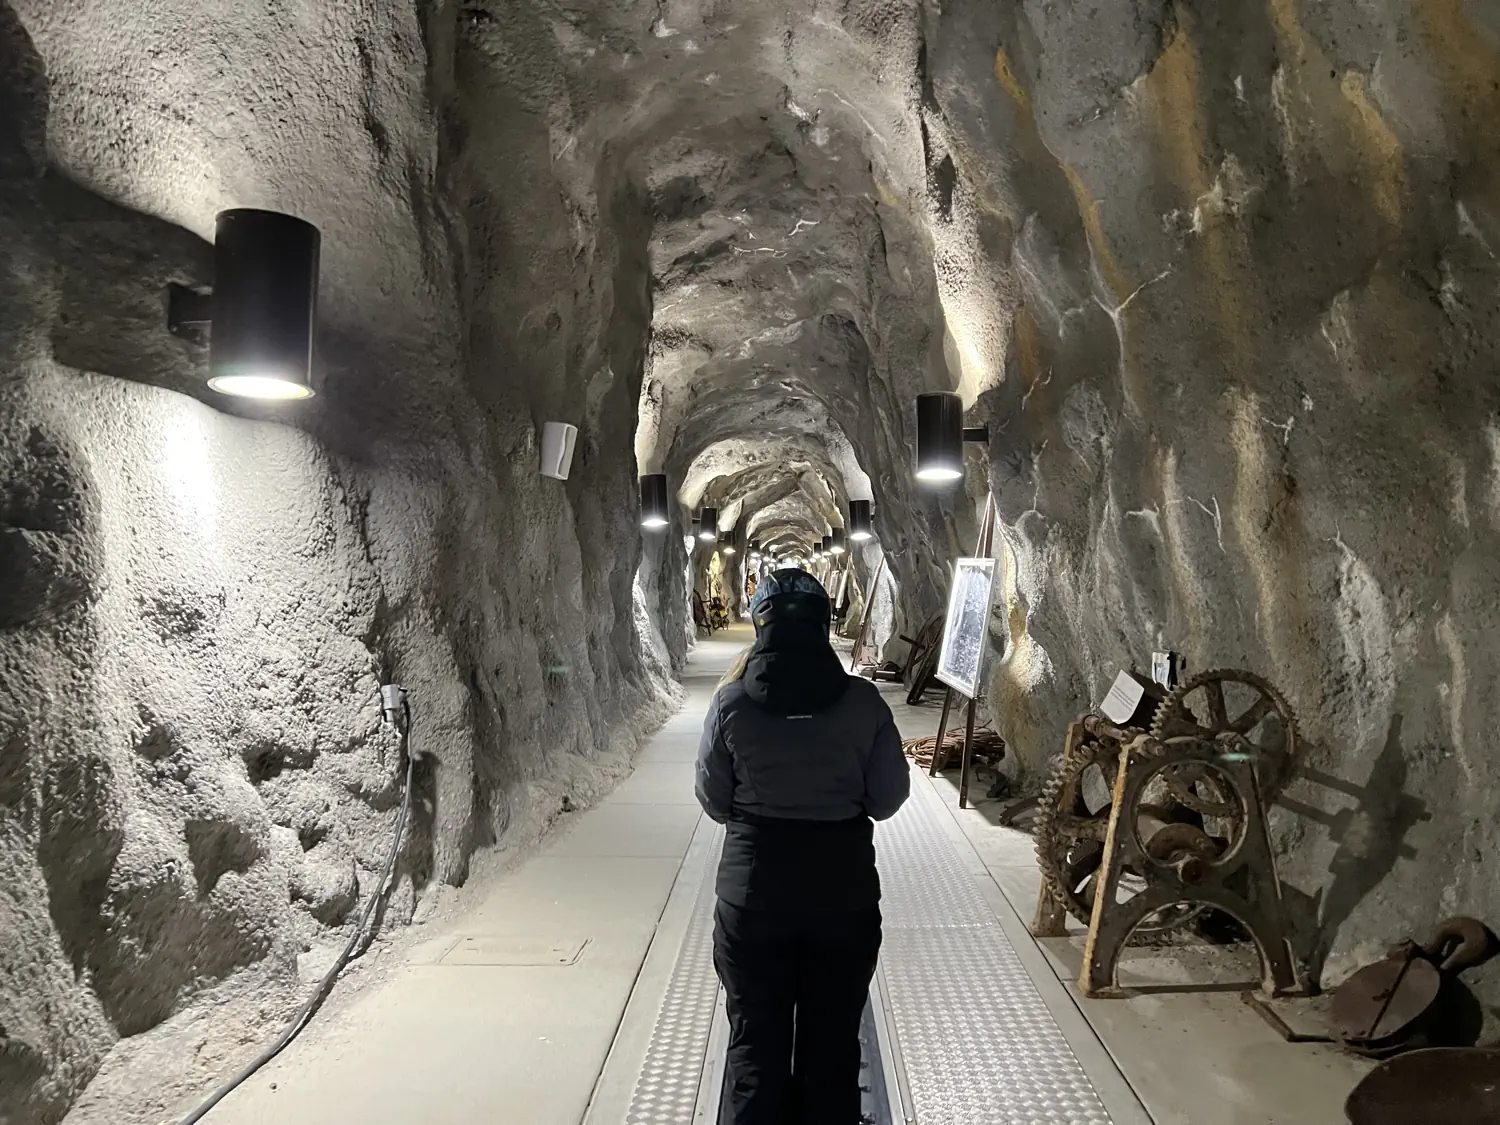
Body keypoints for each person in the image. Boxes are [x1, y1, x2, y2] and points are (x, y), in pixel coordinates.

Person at [695, 568, 910, 1125]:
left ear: (761, 625)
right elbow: (887, 799)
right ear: (823, 623)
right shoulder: (864, 704)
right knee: (833, 1046)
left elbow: (715, 800)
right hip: (843, 896)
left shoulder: (731, 704)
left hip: (753, 897)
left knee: (754, 1047)